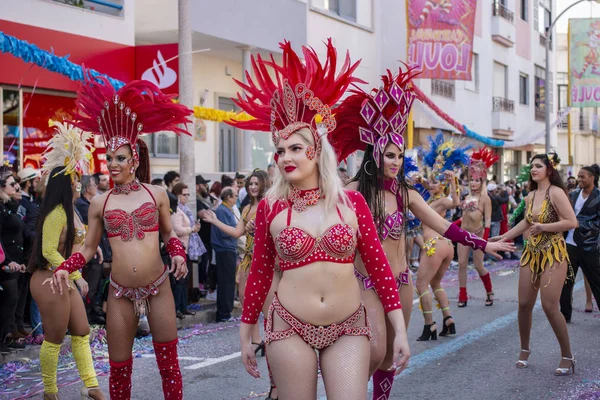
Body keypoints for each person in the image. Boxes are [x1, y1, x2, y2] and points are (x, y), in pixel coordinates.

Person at [229, 39, 412, 400]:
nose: (285, 157)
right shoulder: (270, 207)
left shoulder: (353, 203)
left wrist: (400, 331)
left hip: (348, 327)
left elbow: (378, 269)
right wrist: (246, 332)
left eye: (295, 148)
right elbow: (261, 273)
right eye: (279, 150)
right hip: (288, 327)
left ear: (317, 150)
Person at [330, 68, 515, 399]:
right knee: (372, 351)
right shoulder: (354, 190)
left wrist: (485, 243)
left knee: (389, 357)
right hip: (366, 284)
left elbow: (445, 226)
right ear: (375, 153)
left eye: (400, 155)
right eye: (389, 154)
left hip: (400, 282)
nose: (395, 161)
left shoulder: (406, 194)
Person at [52, 71, 192, 399]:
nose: (112, 164)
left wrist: (178, 253)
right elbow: (87, 249)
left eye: (119, 159)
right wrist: (64, 265)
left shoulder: (156, 195)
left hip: (159, 287)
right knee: (119, 368)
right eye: (109, 158)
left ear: (135, 160)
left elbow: (170, 235)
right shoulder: (100, 202)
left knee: (169, 365)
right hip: (119, 293)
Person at [28, 122, 106, 399]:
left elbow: (77, 242)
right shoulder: (56, 213)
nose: (78, 183)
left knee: (82, 331)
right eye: (74, 178)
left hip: (65, 276)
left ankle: (92, 385)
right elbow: (49, 250)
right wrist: (76, 274)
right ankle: (50, 391)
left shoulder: (71, 210)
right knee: (55, 337)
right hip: (49, 278)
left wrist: (90, 249)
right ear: (65, 183)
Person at [491, 153, 577, 376]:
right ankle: (524, 350)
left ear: (549, 170)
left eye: (538, 166)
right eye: (532, 166)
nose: (533, 169)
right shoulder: (530, 196)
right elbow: (526, 222)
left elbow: (572, 222)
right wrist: (503, 237)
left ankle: (567, 355)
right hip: (531, 253)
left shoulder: (556, 193)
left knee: (550, 306)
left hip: (553, 254)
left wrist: (544, 228)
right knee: (524, 305)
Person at [202, 169, 270, 347]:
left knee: (267, 303)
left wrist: (261, 229)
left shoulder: (270, 205)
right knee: (245, 298)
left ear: (264, 184)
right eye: (251, 184)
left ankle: (276, 339)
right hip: (248, 259)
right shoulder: (246, 208)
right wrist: (215, 221)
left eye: (256, 184)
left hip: (265, 260)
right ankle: (256, 341)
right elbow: (237, 232)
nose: (253, 187)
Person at [413, 133, 471, 341]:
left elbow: (455, 201)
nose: (432, 182)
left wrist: (453, 181)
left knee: (421, 285)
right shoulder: (428, 199)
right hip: (445, 245)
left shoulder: (440, 201)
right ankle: (449, 320)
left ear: (442, 186)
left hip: (434, 245)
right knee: (436, 283)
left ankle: (430, 326)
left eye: (436, 182)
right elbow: (421, 183)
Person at [456, 148, 498, 307]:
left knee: (479, 266)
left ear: (482, 181)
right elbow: (463, 218)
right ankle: (462, 295)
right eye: (471, 179)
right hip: (462, 235)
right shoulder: (466, 197)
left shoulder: (485, 198)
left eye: (477, 180)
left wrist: (485, 241)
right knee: (461, 264)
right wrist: (450, 228)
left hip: (478, 235)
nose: (473, 183)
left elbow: (487, 220)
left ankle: (489, 291)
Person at [560, 164, 600, 322]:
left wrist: (578, 224)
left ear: (592, 178)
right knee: (565, 282)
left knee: (596, 282)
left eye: (582, 176)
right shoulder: (573, 194)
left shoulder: (598, 196)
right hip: (569, 245)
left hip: (589, 246)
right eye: (578, 176)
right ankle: (564, 316)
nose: (579, 179)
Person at [0, 166, 27, 354]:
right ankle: (4, 336)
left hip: (14, 259)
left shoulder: (8, 206)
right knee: (10, 298)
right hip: (5, 261)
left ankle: (6, 336)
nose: (17, 187)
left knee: (13, 299)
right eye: (12, 184)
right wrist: (6, 260)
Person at [171, 182, 205, 318]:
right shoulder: (176, 209)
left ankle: (183, 306)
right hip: (180, 249)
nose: (186, 197)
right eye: (184, 194)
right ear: (177, 195)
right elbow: (176, 230)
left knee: (185, 280)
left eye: (188, 194)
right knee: (179, 280)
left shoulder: (183, 208)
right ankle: (177, 308)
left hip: (187, 248)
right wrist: (191, 229)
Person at [76, 175, 106, 325]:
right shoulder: (83, 205)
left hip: (98, 248)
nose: (97, 187)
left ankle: (93, 311)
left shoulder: (90, 203)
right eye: (95, 185)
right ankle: (85, 315)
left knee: (96, 284)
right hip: (89, 250)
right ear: (87, 188)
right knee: (89, 285)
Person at [210, 187, 239, 322]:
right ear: (228, 197)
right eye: (235, 196)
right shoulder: (222, 210)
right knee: (226, 282)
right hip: (224, 249)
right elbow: (224, 231)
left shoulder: (227, 209)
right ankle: (223, 313)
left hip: (229, 249)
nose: (237, 198)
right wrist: (236, 232)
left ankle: (226, 311)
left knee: (229, 281)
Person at [196, 175, 216, 292]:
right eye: (204, 184)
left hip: (209, 238)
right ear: (198, 186)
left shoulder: (207, 200)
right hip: (202, 238)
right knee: (203, 263)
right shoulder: (197, 202)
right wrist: (215, 210)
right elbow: (205, 216)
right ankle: (201, 284)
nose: (206, 187)